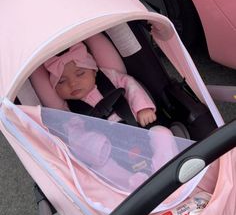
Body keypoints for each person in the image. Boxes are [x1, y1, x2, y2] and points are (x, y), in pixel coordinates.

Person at [44, 42, 179, 190]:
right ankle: (132, 183)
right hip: (109, 150)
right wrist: (97, 146)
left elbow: (129, 85)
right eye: (62, 81)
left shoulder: (110, 78)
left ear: (94, 72)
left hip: (137, 129)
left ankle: (166, 168)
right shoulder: (69, 110)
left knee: (162, 133)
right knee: (102, 169)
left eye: (80, 73)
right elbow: (75, 136)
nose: (73, 83)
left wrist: (142, 108)